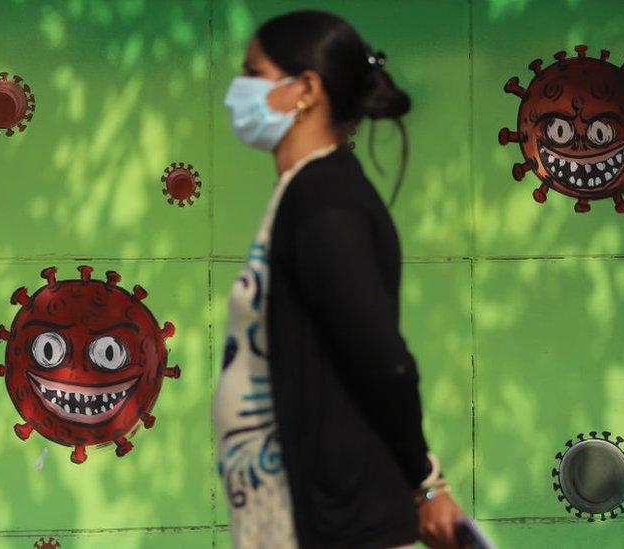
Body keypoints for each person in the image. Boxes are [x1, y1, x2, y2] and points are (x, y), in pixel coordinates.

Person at [212, 10, 467, 549]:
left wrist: (424, 483)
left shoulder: (325, 203)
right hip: (296, 515)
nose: (239, 91)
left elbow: (379, 359)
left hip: (336, 525)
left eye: (253, 75)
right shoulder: (303, 193)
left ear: (305, 89)